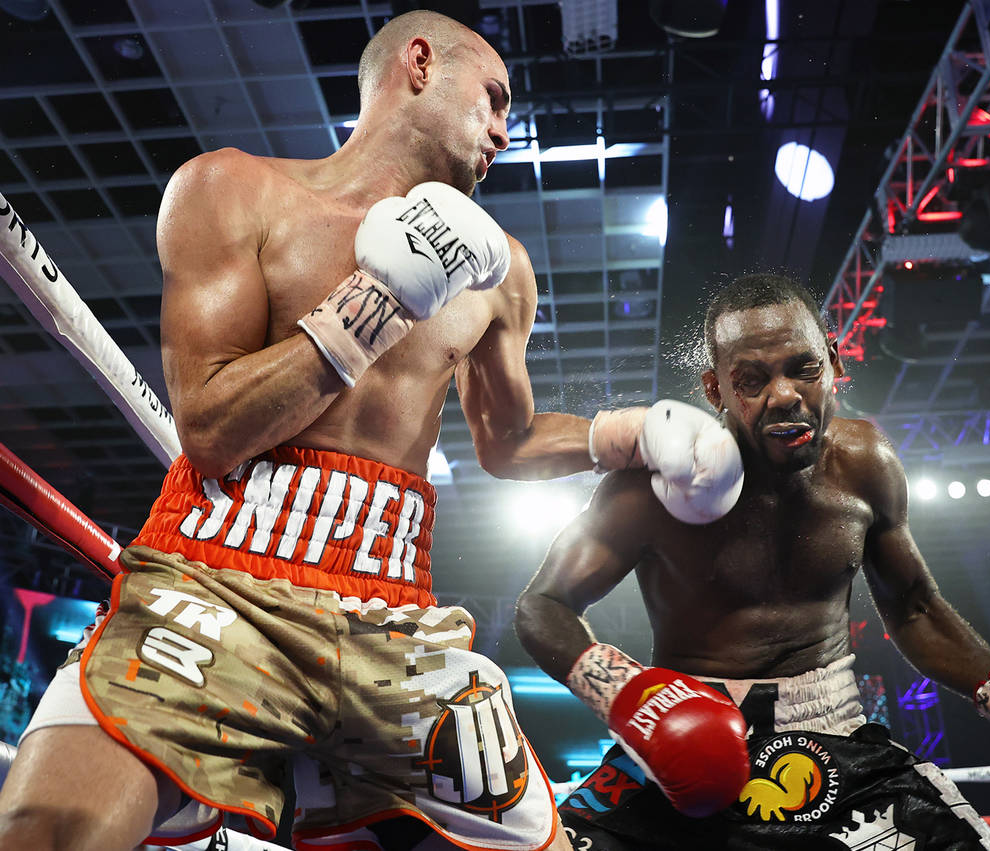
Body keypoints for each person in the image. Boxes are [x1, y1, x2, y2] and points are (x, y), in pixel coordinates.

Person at [0, 12, 742, 851]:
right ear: (420, 64)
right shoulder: (232, 190)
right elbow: (208, 427)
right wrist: (373, 307)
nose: (505, 128)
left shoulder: (500, 269)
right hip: (215, 585)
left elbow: (509, 438)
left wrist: (634, 433)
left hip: (392, 616)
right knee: (49, 833)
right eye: (494, 98)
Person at [515, 272, 990, 850]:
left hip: (840, 743)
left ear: (832, 363)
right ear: (715, 389)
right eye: (752, 378)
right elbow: (543, 604)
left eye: (801, 367)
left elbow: (916, 607)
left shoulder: (865, 463)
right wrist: (636, 698)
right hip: (678, 744)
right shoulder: (648, 489)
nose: (783, 394)